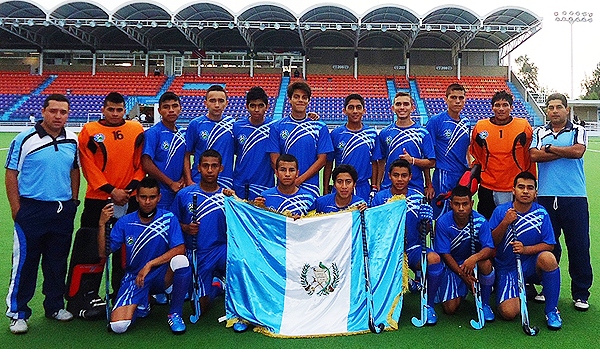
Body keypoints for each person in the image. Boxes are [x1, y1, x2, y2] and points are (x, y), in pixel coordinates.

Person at [5, 94, 80, 334]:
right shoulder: (24, 138)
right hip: (32, 209)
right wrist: (16, 208)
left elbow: (74, 170)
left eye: (63, 112)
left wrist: (73, 201)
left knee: (57, 262)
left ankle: (55, 306)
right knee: (25, 263)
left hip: (61, 210)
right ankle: (18, 312)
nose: (59, 116)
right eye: (54, 111)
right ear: (44, 111)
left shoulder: (72, 139)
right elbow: (11, 174)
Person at [66, 91, 145, 320]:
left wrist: (128, 190)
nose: (115, 114)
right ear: (103, 109)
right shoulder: (89, 131)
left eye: (119, 110)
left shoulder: (136, 130)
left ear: (124, 110)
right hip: (98, 200)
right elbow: (88, 166)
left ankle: (122, 291)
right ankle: (82, 296)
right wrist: (112, 191)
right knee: (91, 247)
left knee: (126, 248)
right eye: (110, 109)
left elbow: (141, 164)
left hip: (129, 200)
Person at [98, 177, 191, 334]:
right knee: (118, 327)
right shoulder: (125, 222)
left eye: (152, 197)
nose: (147, 202)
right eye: (143, 197)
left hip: (162, 275)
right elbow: (103, 252)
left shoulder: (168, 218)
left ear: (159, 198)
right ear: (137, 197)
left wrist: (150, 264)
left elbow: (180, 249)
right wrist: (102, 224)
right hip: (136, 278)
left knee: (181, 261)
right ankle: (142, 302)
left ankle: (175, 313)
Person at [530, 93, 592, 311]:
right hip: (546, 196)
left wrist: (550, 149)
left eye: (558, 107)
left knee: (579, 246)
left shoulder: (578, 130)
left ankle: (581, 293)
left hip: (574, 197)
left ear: (567, 109)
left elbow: (577, 152)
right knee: (549, 245)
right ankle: (548, 289)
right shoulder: (540, 132)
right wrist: (558, 152)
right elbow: (534, 156)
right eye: (550, 107)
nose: (554, 111)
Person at [371, 159, 443, 325]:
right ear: (389, 176)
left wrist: (426, 220)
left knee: (434, 260)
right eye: (396, 175)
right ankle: (379, 302)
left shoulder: (418, 198)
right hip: (387, 251)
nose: (400, 179)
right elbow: (373, 228)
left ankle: (428, 305)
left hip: (412, 249)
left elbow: (424, 230)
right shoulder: (380, 199)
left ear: (410, 177)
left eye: (404, 175)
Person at [489, 171, 562, 330]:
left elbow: (549, 245)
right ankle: (516, 291)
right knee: (508, 313)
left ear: (536, 192)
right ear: (513, 190)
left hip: (531, 264)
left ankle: (551, 310)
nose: (525, 191)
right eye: (521, 187)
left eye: (530, 188)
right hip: (508, 268)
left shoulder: (541, 213)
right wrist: (505, 223)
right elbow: (491, 243)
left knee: (548, 258)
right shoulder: (501, 211)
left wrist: (525, 249)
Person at [171, 149, 227, 315]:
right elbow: (172, 224)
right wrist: (186, 228)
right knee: (199, 308)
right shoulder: (184, 195)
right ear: (198, 168)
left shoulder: (227, 195)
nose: (210, 170)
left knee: (241, 264)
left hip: (222, 250)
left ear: (221, 168)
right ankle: (217, 286)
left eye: (214, 166)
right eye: (206, 166)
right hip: (197, 253)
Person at [470, 90, 535, 219]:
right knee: (488, 226)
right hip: (487, 186)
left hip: (514, 186)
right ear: (492, 107)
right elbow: (477, 154)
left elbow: (529, 154)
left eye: (505, 105)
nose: (501, 109)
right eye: (497, 105)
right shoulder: (480, 126)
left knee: (515, 227)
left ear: (511, 107)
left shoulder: (523, 126)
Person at [434, 185, 495, 321]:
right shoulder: (443, 222)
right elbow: (445, 254)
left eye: (465, 204)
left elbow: (489, 248)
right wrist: (463, 275)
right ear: (450, 204)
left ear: (472, 204)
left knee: (485, 263)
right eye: (457, 204)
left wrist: (474, 258)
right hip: (453, 268)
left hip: (472, 264)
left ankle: (484, 303)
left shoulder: (481, 221)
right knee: (450, 309)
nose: (461, 208)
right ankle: (462, 289)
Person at [267, 81, 333, 197]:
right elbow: (274, 160)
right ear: (289, 99)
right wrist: (289, 180)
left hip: (311, 188)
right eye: (296, 97)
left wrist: (299, 180)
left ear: (308, 101)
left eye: (304, 97)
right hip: (284, 188)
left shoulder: (320, 127)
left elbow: (322, 160)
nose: (300, 100)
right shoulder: (276, 127)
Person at [324, 93, 382, 202]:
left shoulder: (372, 134)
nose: (355, 111)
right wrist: (326, 188)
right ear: (344, 111)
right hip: (341, 187)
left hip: (363, 187)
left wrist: (374, 186)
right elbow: (329, 163)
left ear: (364, 111)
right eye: (351, 107)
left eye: (358, 107)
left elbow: (375, 162)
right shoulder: (336, 134)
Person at [425, 84, 471, 217]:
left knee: (461, 213)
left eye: (461, 98)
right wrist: (428, 183)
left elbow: (466, 148)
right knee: (443, 214)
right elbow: (427, 154)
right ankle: (440, 239)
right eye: (453, 97)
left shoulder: (466, 122)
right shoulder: (435, 122)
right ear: (446, 99)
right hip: (444, 174)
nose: (457, 101)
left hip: (462, 175)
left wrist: (469, 168)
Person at [378, 92, 435, 196]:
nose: (402, 107)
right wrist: (377, 185)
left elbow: (431, 162)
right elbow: (381, 162)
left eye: (406, 104)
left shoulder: (422, 133)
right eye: (398, 104)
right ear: (393, 108)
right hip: (388, 188)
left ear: (412, 108)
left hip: (415, 188)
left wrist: (428, 184)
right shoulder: (384, 133)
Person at [142, 91, 187, 210]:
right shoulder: (153, 133)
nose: (171, 110)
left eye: (175, 106)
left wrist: (183, 179)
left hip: (179, 190)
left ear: (180, 108)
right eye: (166, 107)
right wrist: (170, 183)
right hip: (160, 193)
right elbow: (146, 163)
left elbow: (185, 158)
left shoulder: (183, 133)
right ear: (159, 111)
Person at [185, 85, 234, 189]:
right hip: (199, 180)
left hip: (225, 182)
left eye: (221, 101)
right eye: (212, 101)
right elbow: (186, 154)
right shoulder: (195, 124)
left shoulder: (233, 125)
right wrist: (188, 180)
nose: (217, 105)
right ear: (205, 103)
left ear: (226, 103)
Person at [232, 86, 274, 200]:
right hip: (240, 184)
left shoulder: (274, 127)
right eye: (253, 106)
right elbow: (234, 151)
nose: (256, 109)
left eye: (260, 105)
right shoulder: (237, 126)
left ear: (267, 107)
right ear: (247, 107)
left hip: (265, 185)